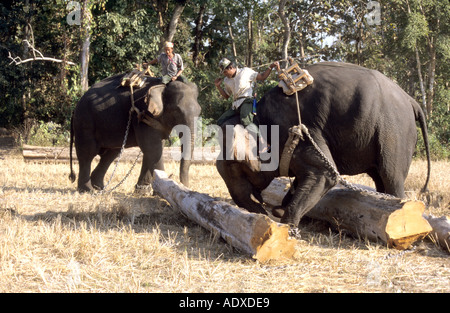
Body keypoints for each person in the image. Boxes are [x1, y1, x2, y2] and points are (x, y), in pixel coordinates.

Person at [214, 58, 280, 134]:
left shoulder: (245, 71)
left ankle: (261, 139)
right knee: (220, 121)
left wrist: (270, 67)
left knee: (246, 122)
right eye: (223, 73)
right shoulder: (226, 80)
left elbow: (262, 77)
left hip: (246, 100)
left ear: (231, 67)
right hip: (235, 105)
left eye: (225, 72)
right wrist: (218, 86)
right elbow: (226, 96)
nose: (225, 74)